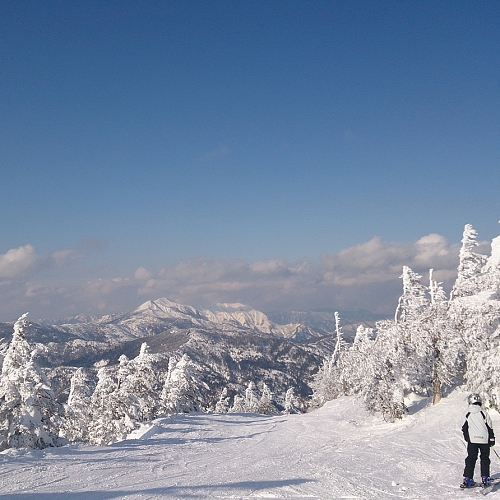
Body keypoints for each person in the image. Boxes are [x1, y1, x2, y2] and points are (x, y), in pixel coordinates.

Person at [461, 393, 496, 488]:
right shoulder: (484, 413)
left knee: (471, 458)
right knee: (485, 458)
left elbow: (464, 428)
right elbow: (490, 427)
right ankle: (485, 478)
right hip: (484, 440)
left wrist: (468, 438)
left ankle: (468, 479)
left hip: (472, 441)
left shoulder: (466, 413)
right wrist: (492, 439)